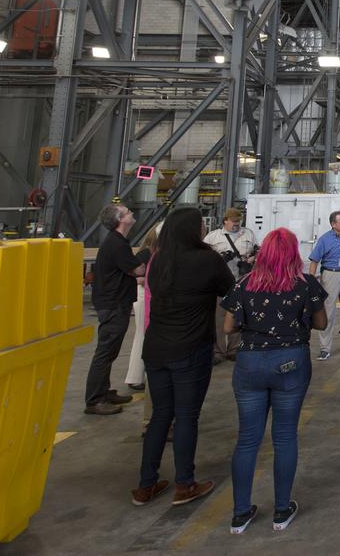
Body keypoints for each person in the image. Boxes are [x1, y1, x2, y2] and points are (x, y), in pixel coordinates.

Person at [221, 227, 329, 534]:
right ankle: (281, 510)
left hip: (250, 363)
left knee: (247, 439)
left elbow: (228, 327)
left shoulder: (245, 283)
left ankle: (240, 513)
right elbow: (321, 323)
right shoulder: (305, 284)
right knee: (284, 436)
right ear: (294, 253)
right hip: (290, 362)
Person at [133, 207, 235, 508]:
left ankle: (146, 485)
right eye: (201, 224)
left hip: (156, 349)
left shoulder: (158, 260)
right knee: (187, 416)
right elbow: (231, 291)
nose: (204, 228)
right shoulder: (207, 260)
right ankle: (185, 484)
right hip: (190, 348)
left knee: (160, 416)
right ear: (192, 229)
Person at [86, 203, 145, 415]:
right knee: (105, 352)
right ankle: (95, 400)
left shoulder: (117, 242)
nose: (131, 213)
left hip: (114, 302)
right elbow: (138, 269)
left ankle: (103, 391)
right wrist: (147, 255)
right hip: (113, 304)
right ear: (120, 220)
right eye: (127, 212)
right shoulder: (117, 244)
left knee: (109, 352)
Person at [204, 207, 257, 363]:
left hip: (241, 281)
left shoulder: (248, 234)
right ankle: (218, 352)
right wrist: (219, 259)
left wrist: (251, 259)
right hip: (220, 283)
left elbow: (258, 251)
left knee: (238, 315)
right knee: (219, 318)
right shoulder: (213, 237)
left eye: (238, 221)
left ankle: (234, 349)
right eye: (233, 221)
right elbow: (202, 257)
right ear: (225, 221)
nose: (236, 224)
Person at [308, 211, 340, 360]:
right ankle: (325, 348)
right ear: (333, 224)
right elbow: (314, 260)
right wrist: (311, 281)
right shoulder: (324, 239)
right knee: (328, 311)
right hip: (330, 275)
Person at [125, 225, 160, 394]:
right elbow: (135, 276)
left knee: (143, 335)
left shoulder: (149, 252)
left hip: (147, 295)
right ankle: (135, 377)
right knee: (142, 335)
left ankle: (137, 376)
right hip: (143, 296)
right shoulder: (146, 253)